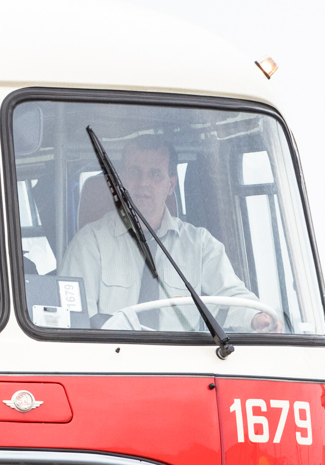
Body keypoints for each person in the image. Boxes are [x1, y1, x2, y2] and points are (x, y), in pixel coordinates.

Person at [60, 135, 274, 331]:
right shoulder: (89, 244)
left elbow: (234, 298)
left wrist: (257, 317)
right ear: (121, 180)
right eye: (135, 172)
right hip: (111, 366)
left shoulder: (199, 245)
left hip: (182, 368)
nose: (143, 182)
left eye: (154, 174)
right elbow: (74, 323)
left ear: (171, 184)